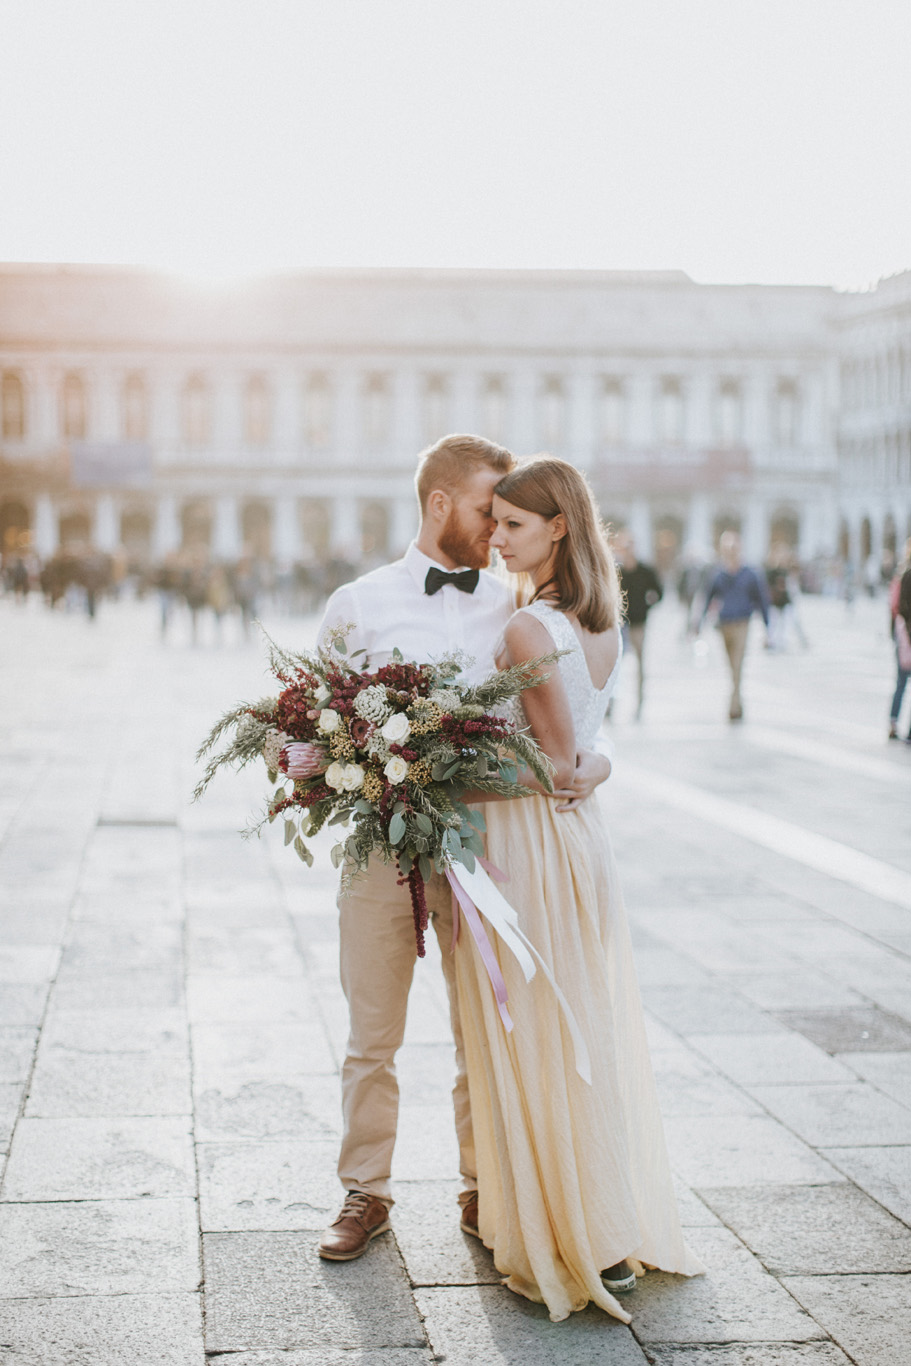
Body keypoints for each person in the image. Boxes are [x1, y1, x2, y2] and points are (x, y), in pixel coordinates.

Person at [314, 435, 612, 1261]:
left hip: (490, 850)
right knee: (371, 1032)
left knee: (487, 1028)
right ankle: (363, 1190)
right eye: (488, 507)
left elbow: (573, 719)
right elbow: (307, 722)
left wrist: (599, 764)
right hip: (383, 849)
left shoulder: (516, 608)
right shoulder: (357, 602)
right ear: (440, 502)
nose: (496, 525)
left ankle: (486, 1187)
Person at [454, 457, 704, 1323]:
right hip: (576, 843)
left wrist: (431, 779)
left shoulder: (529, 628)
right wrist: (597, 765)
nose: (495, 539)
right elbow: (581, 757)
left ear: (558, 527)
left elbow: (551, 767)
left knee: (540, 1038)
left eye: (512, 527)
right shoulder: (601, 621)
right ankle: (592, 1216)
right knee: (576, 1031)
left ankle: (571, 1231)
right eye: (495, 524)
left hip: (530, 849)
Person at [700, 531, 769, 721]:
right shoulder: (718, 574)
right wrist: (698, 623)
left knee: (738, 665)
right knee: (730, 666)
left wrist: (767, 627)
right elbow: (707, 598)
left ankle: (734, 707)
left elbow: (762, 600)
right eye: (727, 548)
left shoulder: (750, 574)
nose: (731, 551)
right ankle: (737, 699)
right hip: (723, 624)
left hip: (742, 623)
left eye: (734, 548)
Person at [613, 530, 663, 717]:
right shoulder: (616, 570)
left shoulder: (645, 571)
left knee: (640, 663)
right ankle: (612, 702)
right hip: (619, 624)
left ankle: (640, 701)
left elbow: (659, 592)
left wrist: (646, 607)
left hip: (639, 623)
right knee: (616, 663)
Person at [888, 553, 911, 741]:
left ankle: (893, 723)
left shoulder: (903, 574)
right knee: (902, 682)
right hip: (906, 638)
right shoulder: (907, 575)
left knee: (901, 683)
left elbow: (896, 609)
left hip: (902, 637)